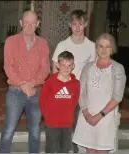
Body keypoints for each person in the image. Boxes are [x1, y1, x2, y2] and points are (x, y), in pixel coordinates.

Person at [0, 10, 50, 153]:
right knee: (8, 129)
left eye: (33, 23)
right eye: (26, 22)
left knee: (35, 132)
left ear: (38, 24)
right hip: (15, 92)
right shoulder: (11, 41)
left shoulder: (43, 43)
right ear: (21, 23)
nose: (29, 25)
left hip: (36, 92)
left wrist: (32, 84)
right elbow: (8, 66)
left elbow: (45, 68)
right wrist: (23, 84)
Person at [72, 33, 127, 153]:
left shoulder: (118, 68)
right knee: (89, 150)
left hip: (105, 118)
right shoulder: (88, 67)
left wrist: (99, 116)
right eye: (101, 46)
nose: (103, 49)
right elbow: (81, 92)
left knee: (102, 150)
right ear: (96, 48)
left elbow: (117, 97)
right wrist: (87, 114)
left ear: (112, 49)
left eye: (107, 46)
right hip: (87, 116)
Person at [51, 9, 96, 152]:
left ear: (85, 24)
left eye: (80, 24)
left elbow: (95, 71)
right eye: (74, 24)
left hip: (83, 93)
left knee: (80, 127)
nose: (77, 27)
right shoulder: (62, 45)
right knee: (63, 126)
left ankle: (77, 150)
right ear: (70, 25)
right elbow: (54, 71)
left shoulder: (92, 46)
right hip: (65, 92)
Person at [39, 51, 80, 153]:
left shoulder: (76, 84)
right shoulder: (50, 82)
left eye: (69, 65)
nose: (66, 68)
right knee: (51, 149)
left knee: (64, 149)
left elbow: (75, 101)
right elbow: (42, 100)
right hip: (52, 123)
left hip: (67, 123)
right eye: (63, 65)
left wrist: (69, 114)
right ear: (57, 65)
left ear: (73, 66)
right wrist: (47, 116)